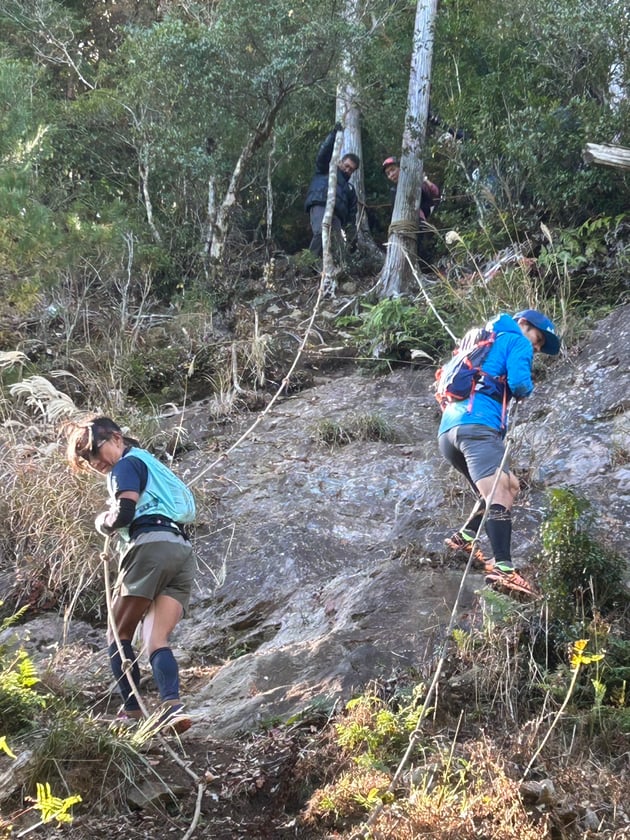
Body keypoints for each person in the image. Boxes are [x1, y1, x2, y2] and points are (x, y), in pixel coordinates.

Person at [65, 416, 196, 734]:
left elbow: (124, 513)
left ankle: (133, 710)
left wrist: (103, 522)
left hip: (149, 546)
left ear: (116, 438)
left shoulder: (125, 465)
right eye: (86, 458)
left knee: (117, 633)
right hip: (180, 550)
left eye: (94, 451)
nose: (93, 461)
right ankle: (172, 708)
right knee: (156, 638)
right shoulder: (150, 464)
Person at [438, 309, 561, 596]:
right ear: (523, 325)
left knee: (509, 485)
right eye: (538, 338)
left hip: (449, 433)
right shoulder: (516, 340)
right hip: (478, 427)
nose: (537, 346)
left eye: (540, 345)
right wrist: (526, 389)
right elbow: (519, 383)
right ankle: (504, 569)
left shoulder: (482, 340)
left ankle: (464, 537)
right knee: (500, 494)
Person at [304, 124, 360, 257]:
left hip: (337, 215)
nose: (347, 170)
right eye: (346, 166)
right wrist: (333, 135)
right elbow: (323, 154)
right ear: (340, 162)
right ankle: (307, 265)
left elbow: (351, 217)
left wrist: (353, 239)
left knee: (338, 245)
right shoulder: (326, 170)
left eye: (351, 169)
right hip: (320, 204)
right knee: (321, 232)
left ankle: (334, 273)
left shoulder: (350, 190)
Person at [382, 156, 440, 263]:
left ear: (401, 168)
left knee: (422, 248)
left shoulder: (416, 181)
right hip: (403, 225)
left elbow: (435, 193)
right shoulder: (393, 190)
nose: (391, 175)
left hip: (422, 222)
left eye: (393, 170)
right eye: (388, 173)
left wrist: (424, 180)